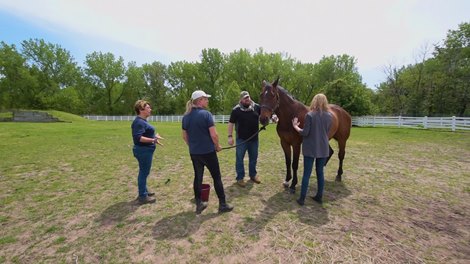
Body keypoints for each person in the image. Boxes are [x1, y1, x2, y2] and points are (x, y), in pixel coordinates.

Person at [182, 90, 234, 215]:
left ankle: (199, 203)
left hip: (195, 153)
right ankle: (222, 204)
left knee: (198, 177)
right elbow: (214, 135)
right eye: (205, 99)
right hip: (208, 152)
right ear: (200, 100)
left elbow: (184, 136)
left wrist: (193, 146)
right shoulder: (206, 115)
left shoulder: (186, 116)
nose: (207, 101)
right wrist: (217, 146)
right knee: (216, 177)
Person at [291, 93, 332, 205]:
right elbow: (326, 132)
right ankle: (319, 196)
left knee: (306, 174)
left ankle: (302, 199)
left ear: (314, 101)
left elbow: (305, 132)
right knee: (320, 173)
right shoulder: (329, 116)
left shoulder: (310, 115)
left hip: (310, 147)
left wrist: (295, 126)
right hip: (323, 148)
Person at [131, 100, 163, 204]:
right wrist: (153, 140)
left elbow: (145, 135)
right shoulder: (139, 122)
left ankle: (144, 191)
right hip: (143, 151)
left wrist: (154, 138)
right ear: (141, 110)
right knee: (144, 173)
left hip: (145, 150)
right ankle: (142, 196)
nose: (150, 109)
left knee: (144, 172)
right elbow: (138, 138)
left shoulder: (143, 121)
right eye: (148, 108)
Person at [228, 91, 262, 187]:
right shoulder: (236, 110)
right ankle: (240, 178)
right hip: (241, 139)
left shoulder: (257, 107)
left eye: (248, 97)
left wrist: (273, 117)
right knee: (239, 159)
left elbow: (265, 115)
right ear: (241, 100)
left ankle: (253, 175)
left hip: (254, 139)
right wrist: (230, 136)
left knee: (253, 158)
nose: (247, 99)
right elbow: (231, 123)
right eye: (245, 98)